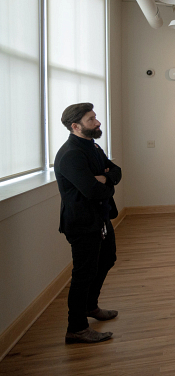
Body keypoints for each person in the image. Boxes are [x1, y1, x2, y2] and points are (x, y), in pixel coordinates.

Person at [54, 103, 121, 344]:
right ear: (75, 126)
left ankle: (91, 306)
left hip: (100, 218)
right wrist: (105, 182)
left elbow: (116, 171)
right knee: (83, 274)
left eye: (95, 117)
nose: (98, 122)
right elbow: (93, 192)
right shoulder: (71, 154)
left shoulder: (91, 145)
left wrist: (106, 177)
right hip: (82, 223)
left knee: (107, 259)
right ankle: (77, 328)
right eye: (91, 119)